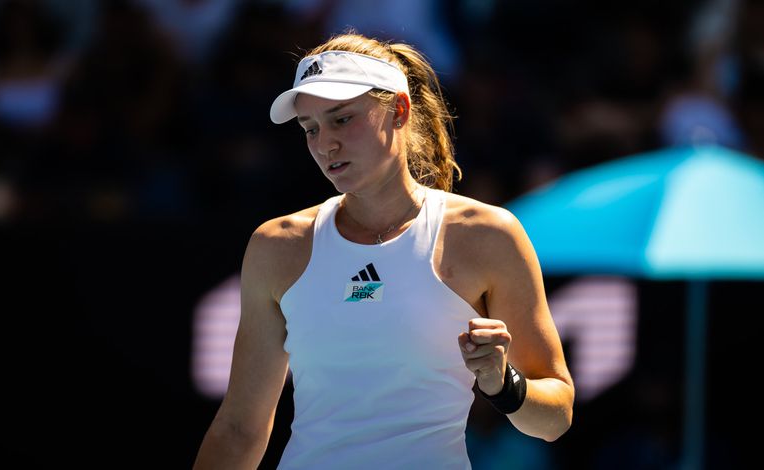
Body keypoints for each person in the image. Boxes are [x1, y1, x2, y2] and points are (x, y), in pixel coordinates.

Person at [193, 32, 574, 469]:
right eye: (310, 129)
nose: (325, 144)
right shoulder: (276, 246)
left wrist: (503, 384)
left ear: (399, 110)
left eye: (341, 119)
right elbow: (239, 430)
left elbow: (555, 419)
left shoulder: (488, 235)